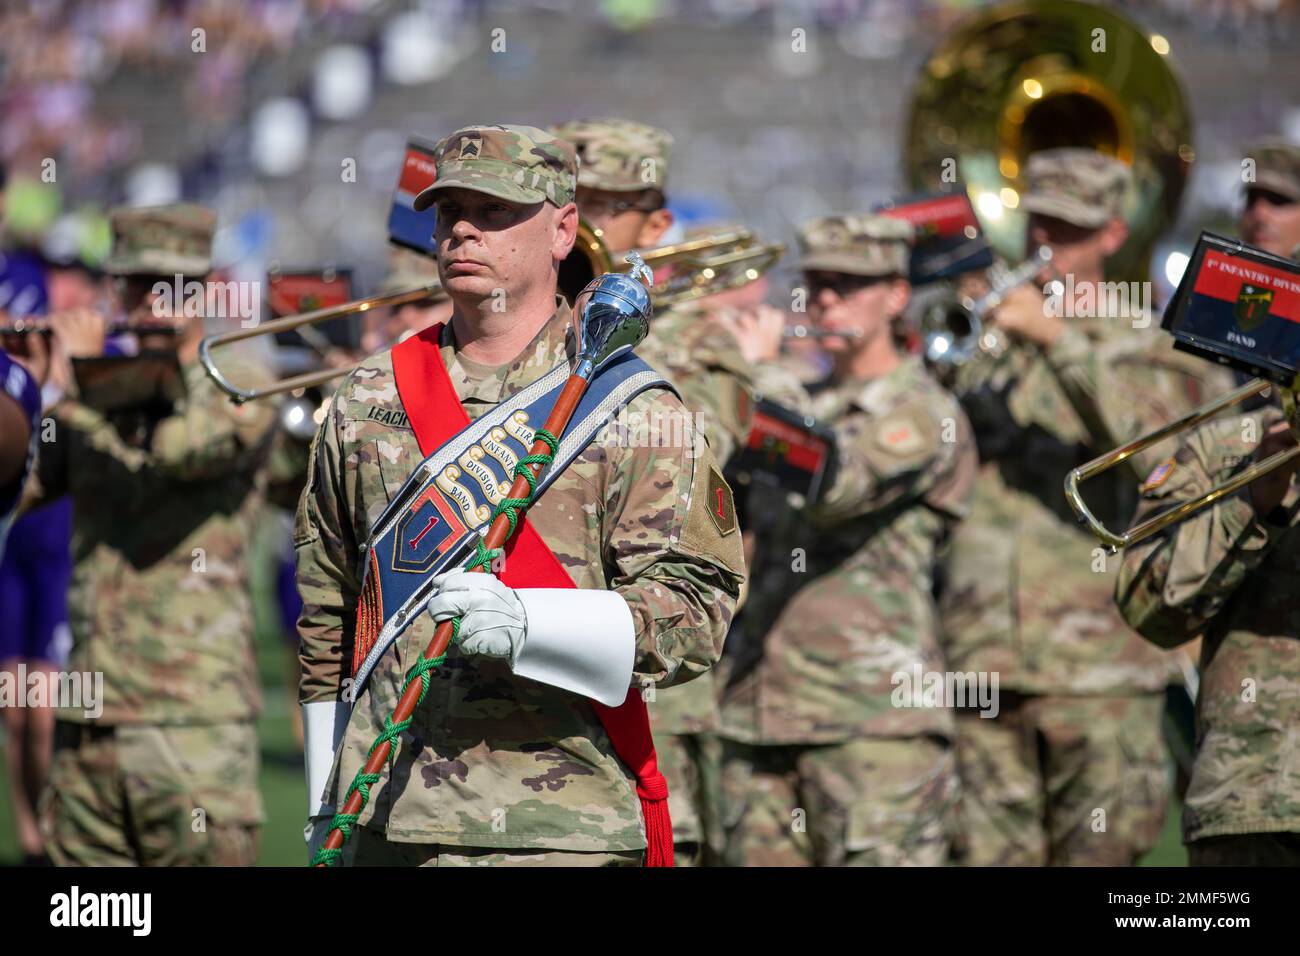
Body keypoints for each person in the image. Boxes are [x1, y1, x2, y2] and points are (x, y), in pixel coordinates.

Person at [296, 124, 745, 867]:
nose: (464, 229)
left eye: (496, 210)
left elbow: (697, 610)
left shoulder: (633, 405)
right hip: (384, 822)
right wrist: (324, 799)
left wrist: (536, 623)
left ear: (564, 229)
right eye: (449, 212)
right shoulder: (366, 396)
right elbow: (327, 613)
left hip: (559, 832)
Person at [937, 147, 1234, 866]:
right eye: (1038, 225)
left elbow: (1166, 447)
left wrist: (1059, 340)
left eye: (1069, 231)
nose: (1047, 246)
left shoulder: (1153, 341)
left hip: (1102, 665)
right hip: (981, 660)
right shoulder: (989, 346)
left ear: (1110, 234)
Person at [716, 213, 978, 865]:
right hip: (760, 716)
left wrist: (758, 378)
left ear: (895, 296)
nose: (825, 299)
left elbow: (837, 486)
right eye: (818, 283)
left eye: (848, 284)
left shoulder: (923, 409)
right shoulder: (798, 396)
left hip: (873, 726)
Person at [26, 203, 277, 866]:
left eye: (175, 286)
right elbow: (15, 486)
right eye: (138, 285)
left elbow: (179, 451)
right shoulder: (87, 395)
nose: (154, 302)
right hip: (88, 725)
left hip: (193, 724)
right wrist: (24, 389)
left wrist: (77, 387)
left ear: (207, 288)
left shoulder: (241, 381)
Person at [551, 117, 758, 864]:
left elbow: (695, 453)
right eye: (570, 201)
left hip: (656, 683)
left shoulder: (702, 336)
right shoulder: (523, 321)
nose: (581, 224)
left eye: (606, 207)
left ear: (659, 222)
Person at [1114, 139, 1300, 867]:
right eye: (1250, 198)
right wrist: (1255, 498)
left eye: (1280, 200)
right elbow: (1150, 607)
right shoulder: (1231, 433)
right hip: (1257, 797)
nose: (1258, 215)